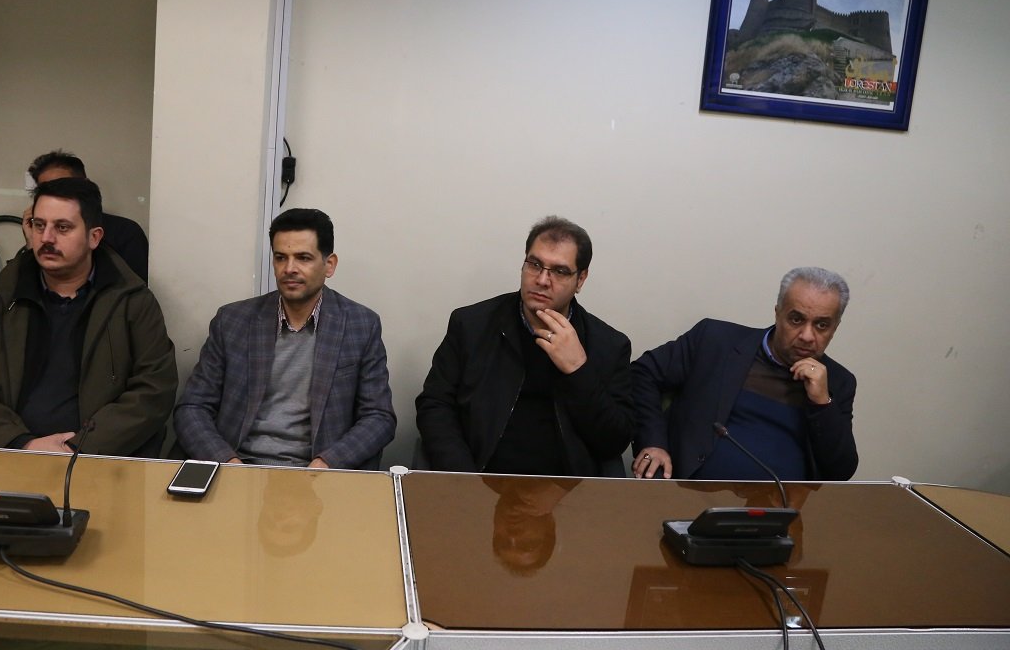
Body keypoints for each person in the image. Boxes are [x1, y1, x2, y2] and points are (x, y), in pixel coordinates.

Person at [0, 177, 178, 456]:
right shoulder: (0, 297)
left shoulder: (132, 301)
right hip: (10, 453)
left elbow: (153, 392)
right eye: (39, 225)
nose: (46, 238)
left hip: (95, 457)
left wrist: (76, 449)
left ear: (94, 237)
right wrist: (21, 442)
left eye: (62, 227)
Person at [174, 208, 396, 469]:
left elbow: (378, 417)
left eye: (303, 258)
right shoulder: (233, 321)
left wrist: (327, 463)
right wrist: (228, 462)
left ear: (329, 265)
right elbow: (192, 407)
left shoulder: (360, 325)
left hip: (317, 469)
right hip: (238, 463)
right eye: (281, 258)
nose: (289, 269)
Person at [415, 216, 633, 477]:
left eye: (560, 271)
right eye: (535, 264)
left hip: (566, 488)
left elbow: (613, 441)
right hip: (481, 478)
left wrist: (578, 370)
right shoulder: (471, 325)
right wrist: (464, 478)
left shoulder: (609, 346)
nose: (542, 280)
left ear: (581, 279)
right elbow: (435, 405)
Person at [631, 266, 858, 481]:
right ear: (778, 313)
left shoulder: (838, 381)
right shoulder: (715, 340)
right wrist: (653, 442)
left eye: (821, 325)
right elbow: (642, 373)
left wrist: (822, 404)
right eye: (796, 319)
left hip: (784, 504)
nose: (807, 336)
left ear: (835, 327)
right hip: (693, 494)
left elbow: (839, 472)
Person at [24, 150, 149, 281]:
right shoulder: (40, 236)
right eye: (45, 190)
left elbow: (134, 286)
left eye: (63, 227)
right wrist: (31, 244)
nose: (47, 238)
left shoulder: (125, 232)